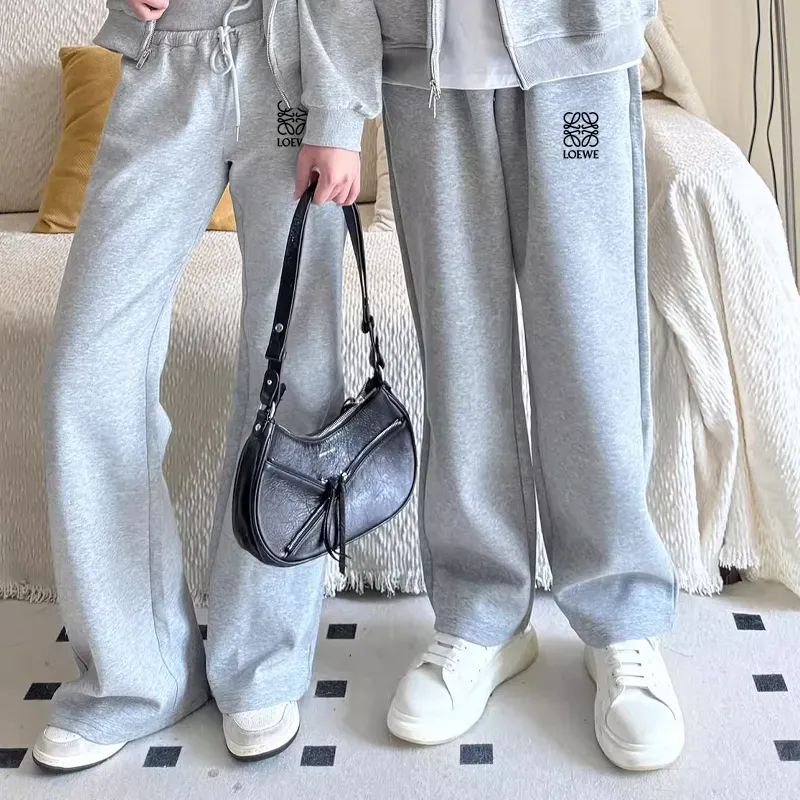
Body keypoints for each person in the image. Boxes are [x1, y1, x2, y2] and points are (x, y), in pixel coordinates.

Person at [33, 0, 379, 772]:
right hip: (165, 61)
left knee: (294, 374)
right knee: (86, 374)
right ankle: (136, 675)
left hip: (290, 68)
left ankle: (261, 663)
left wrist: (339, 109)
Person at [360, 0, 686, 771]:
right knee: (459, 359)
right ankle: (481, 614)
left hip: (577, 52)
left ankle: (619, 614)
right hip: (425, 65)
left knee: (592, 350)